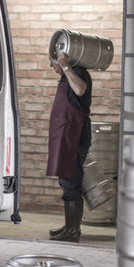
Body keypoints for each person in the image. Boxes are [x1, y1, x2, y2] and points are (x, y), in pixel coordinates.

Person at [46, 51, 92, 243]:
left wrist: (66, 66)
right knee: (67, 181)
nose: (51, 66)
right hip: (66, 135)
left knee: (72, 181)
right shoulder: (67, 76)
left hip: (75, 135)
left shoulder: (78, 73)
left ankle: (73, 232)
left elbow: (80, 90)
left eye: (52, 62)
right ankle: (70, 226)